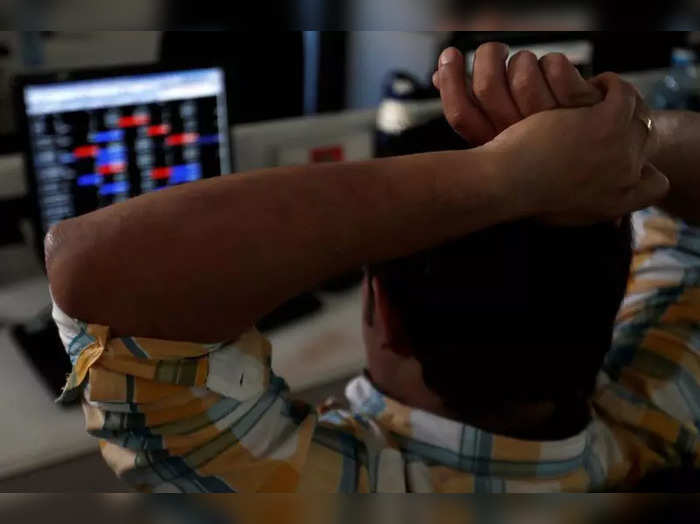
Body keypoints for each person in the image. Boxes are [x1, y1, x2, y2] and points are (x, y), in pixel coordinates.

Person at [45, 42, 700, 492]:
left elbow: (92, 263)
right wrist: (595, 144)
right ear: (616, 294)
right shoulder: (659, 408)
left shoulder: (329, 493)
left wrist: (507, 176)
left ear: (379, 311)